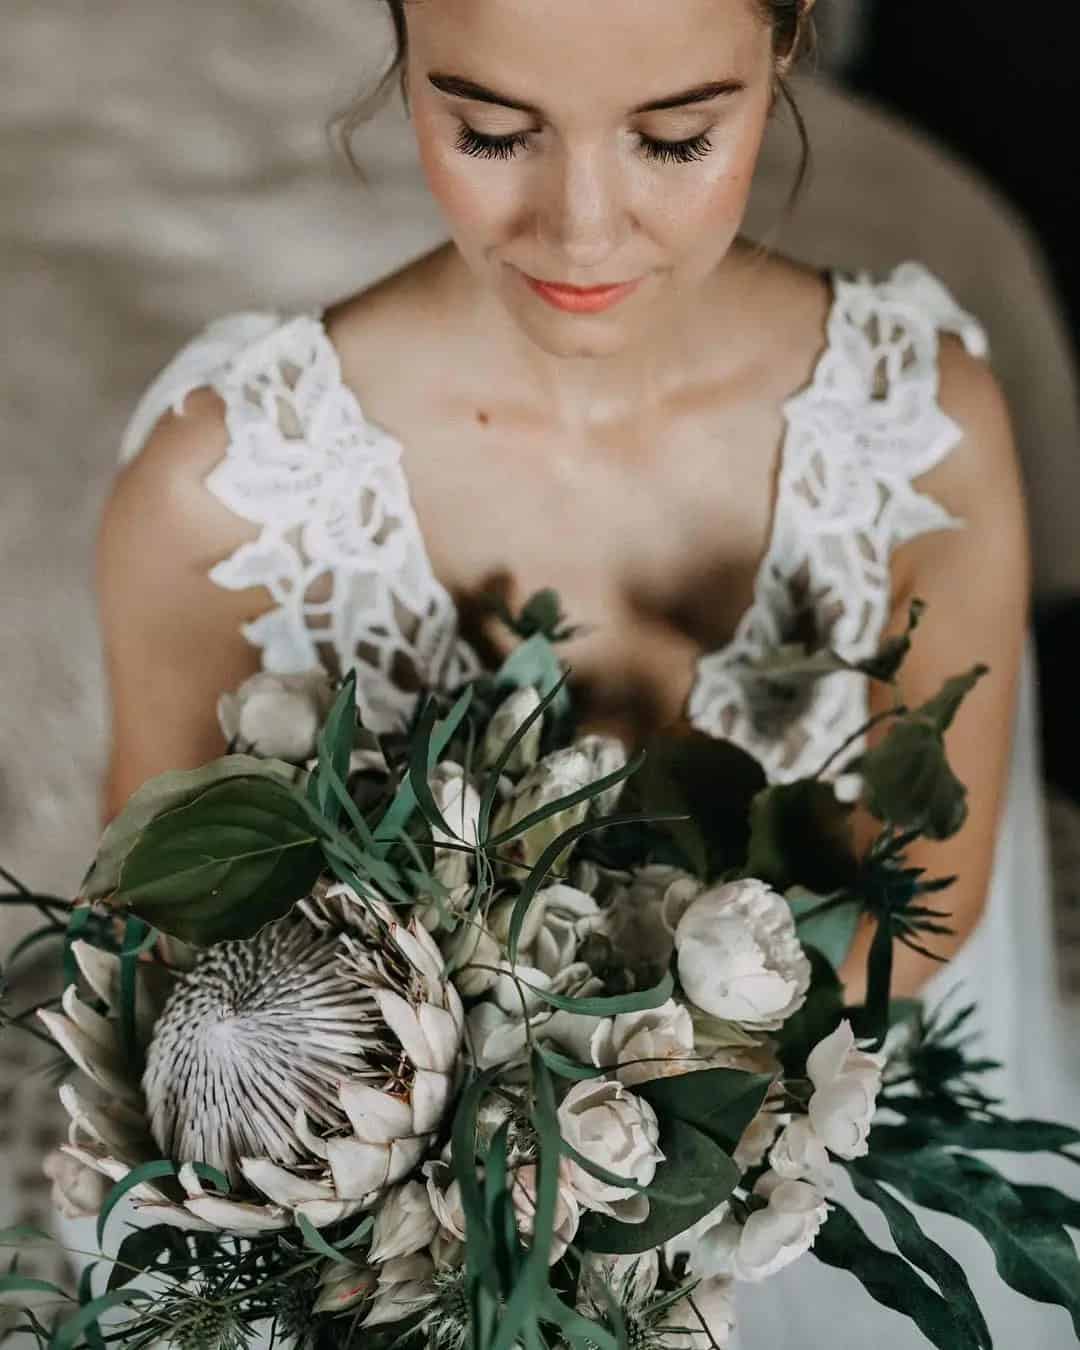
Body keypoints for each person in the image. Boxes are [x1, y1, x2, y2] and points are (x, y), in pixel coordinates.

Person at [96, 0, 1078, 1344]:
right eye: (492, 131)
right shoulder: (214, 497)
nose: (584, 228)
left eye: (676, 139)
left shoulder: (924, 434)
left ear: (787, 46)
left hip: (817, 1221)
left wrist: (624, 1149)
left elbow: (929, 911)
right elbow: (167, 972)